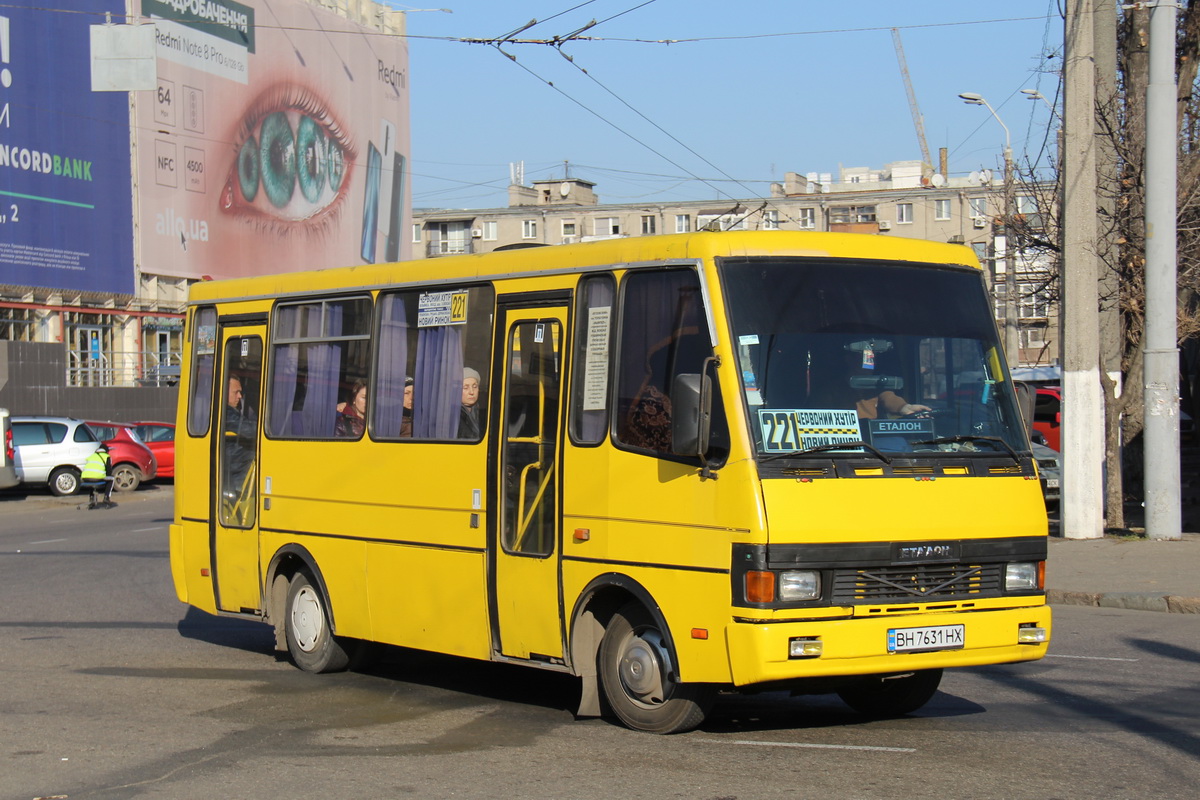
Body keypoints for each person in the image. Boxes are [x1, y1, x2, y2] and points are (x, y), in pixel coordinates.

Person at [224, 374, 255, 497]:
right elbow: (249, 430)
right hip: (234, 469)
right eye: (236, 392)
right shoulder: (226, 413)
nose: (240, 396)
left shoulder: (231, 411)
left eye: (240, 392)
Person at [82, 443, 115, 509]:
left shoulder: (91, 456)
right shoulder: (106, 456)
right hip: (98, 478)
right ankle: (106, 497)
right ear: (106, 450)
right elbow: (109, 472)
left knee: (91, 482)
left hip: (85, 478)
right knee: (111, 479)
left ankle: (91, 499)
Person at [458, 367, 485, 439]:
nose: (471, 392)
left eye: (475, 386)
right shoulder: (453, 416)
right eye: (465, 388)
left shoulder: (484, 413)